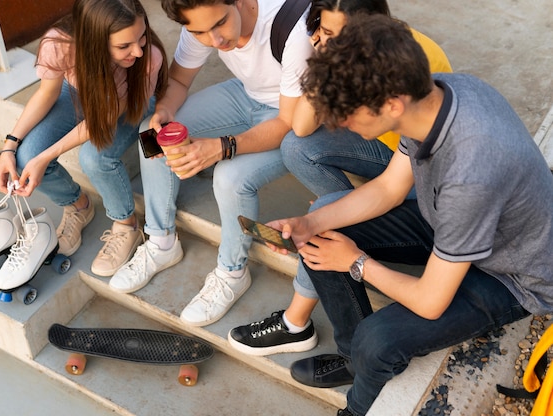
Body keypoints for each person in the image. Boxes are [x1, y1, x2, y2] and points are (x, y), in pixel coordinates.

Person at [265, 14, 553, 416]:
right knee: (323, 226)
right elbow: (387, 188)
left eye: (347, 113)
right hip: (454, 227)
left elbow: (431, 301)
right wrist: (309, 224)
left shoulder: (471, 172)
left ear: (391, 104)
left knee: (378, 339)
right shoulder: (438, 93)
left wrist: (356, 263)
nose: (340, 123)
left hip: (512, 274)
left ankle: (358, 401)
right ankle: (356, 361)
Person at [228, 0, 452, 356]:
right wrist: (325, 55)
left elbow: (431, 300)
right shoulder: (360, 65)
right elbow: (302, 128)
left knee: (331, 223)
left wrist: (345, 242)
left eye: (340, 36)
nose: (328, 42)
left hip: (432, 191)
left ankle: (297, 322)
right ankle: (349, 227)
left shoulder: (411, 75)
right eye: (323, 30)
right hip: (398, 163)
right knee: (300, 152)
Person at [108, 0, 315, 327]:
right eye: (200, 31)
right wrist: (164, 112)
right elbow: (178, 83)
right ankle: (161, 241)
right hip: (246, 96)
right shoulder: (200, 24)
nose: (215, 40)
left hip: (293, 118)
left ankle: (233, 272)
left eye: (220, 24)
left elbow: (290, 122)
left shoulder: (291, 28)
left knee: (229, 177)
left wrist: (222, 147)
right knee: (154, 134)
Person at [0, 0, 168, 277]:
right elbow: (47, 93)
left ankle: (127, 225)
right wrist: (9, 146)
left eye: (141, 37)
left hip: (131, 100)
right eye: (124, 46)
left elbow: (103, 120)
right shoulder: (60, 44)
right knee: (25, 156)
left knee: (95, 158)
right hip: (83, 91)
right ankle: (78, 206)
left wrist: (46, 157)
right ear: (93, 41)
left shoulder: (148, 59)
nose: (138, 50)